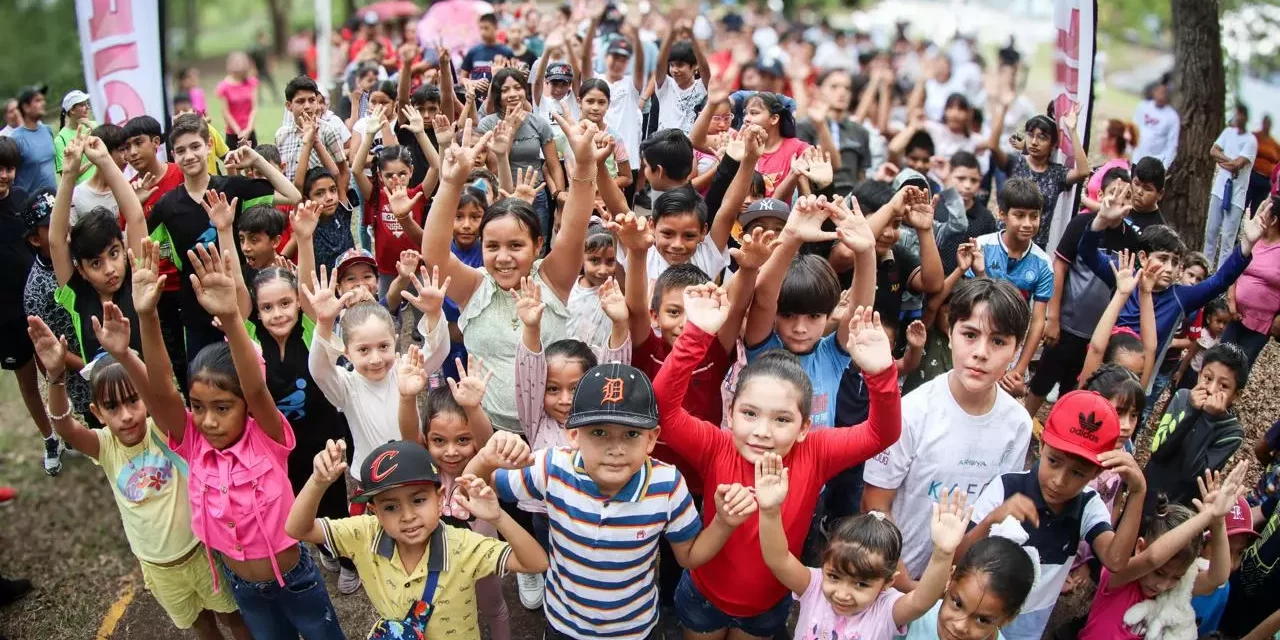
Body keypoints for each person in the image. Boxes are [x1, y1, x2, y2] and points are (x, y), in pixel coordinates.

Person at [653, 281, 902, 639]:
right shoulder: (716, 445)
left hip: (767, 605)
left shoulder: (816, 451)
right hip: (704, 596)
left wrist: (881, 374)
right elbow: (665, 410)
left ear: (804, 427)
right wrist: (697, 335)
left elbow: (882, 433)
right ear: (731, 412)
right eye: (750, 414)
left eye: (782, 420)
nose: (762, 431)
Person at [123, 242, 344, 639]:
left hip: (295, 578)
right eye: (198, 406)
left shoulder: (267, 437)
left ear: (246, 406)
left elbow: (256, 388)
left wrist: (230, 315)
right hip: (243, 588)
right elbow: (163, 392)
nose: (208, 420)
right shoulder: (192, 443)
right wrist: (146, 316)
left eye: (223, 407)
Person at [469, 367, 756, 640]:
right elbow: (477, 484)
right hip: (564, 624)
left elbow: (689, 557)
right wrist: (485, 459)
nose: (615, 449)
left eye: (631, 434)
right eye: (599, 432)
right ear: (573, 435)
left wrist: (723, 522)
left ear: (652, 438)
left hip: (635, 628)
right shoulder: (552, 466)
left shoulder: (667, 485)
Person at [28, 316, 250, 640]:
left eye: (133, 400)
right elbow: (64, 427)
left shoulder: (162, 429)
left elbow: (161, 392)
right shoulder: (104, 446)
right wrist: (56, 378)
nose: (127, 415)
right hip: (159, 569)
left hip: (202, 553)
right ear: (97, 412)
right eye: (112, 407)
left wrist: (125, 356)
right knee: (202, 626)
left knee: (233, 619)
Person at [420, 115, 596, 434]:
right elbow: (433, 254)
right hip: (488, 432)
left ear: (538, 244)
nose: (503, 258)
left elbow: (575, 227)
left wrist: (583, 168)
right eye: (492, 246)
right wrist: (451, 182)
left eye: (516, 245)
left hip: (555, 428)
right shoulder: (474, 286)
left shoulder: (553, 279)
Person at [286, 438, 546, 640]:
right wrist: (318, 482)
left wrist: (499, 517)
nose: (407, 516)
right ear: (374, 511)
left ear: (440, 497)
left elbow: (535, 562)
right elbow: (297, 529)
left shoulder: (463, 545)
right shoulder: (364, 534)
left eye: (419, 500)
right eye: (390, 507)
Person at [863, 278, 1033, 582]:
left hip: (960, 584)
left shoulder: (1018, 425)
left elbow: (991, 510)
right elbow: (876, 504)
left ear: (1017, 350)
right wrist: (904, 583)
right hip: (895, 575)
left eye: (998, 341)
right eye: (970, 334)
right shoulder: (911, 412)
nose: (981, 352)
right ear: (950, 334)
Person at [958, 391, 1146, 640]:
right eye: (1054, 461)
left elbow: (1116, 560)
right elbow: (959, 557)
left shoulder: (1088, 506)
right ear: (1042, 443)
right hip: (978, 612)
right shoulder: (1006, 488)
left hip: (1028, 624)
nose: (1059, 481)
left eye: (1078, 473)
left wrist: (1138, 492)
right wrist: (992, 520)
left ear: (1095, 472)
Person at [758, 451, 970, 639]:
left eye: (861, 584)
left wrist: (943, 553)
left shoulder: (886, 610)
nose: (842, 594)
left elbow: (921, 601)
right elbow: (778, 559)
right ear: (824, 565)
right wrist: (769, 512)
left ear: (887, 583)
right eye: (833, 576)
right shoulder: (813, 587)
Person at [149, 114, 300, 360]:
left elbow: (292, 196)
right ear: (172, 156)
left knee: (249, 372)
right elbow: (138, 247)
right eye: (181, 150)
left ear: (209, 146)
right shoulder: (167, 206)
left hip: (241, 301)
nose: (189, 156)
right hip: (195, 310)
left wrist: (257, 160)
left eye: (195, 146)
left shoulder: (233, 188)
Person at [1078, 464, 1247, 639]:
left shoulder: (1172, 591)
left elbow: (1218, 578)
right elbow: (1153, 558)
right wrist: (1208, 515)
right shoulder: (1118, 575)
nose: (1163, 585)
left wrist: (1218, 522)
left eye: (1176, 577)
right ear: (1140, 547)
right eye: (1159, 573)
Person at [967, 178, 1054, 396]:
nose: (1028, 223)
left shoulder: (1043, 262)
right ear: (1002, 214)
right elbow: (969, 300)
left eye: (1034, 216)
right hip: (978, 332)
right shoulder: (981, 246)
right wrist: (980, 272)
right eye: (1019, 215)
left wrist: (1019, 369)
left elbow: (1037, 322)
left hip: (1013, 342)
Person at [1144, 343, 1249, 513]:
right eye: (1208, 378)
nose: (1211, 389)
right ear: (1200, 374)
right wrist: (1191, 411)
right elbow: (1158, 451)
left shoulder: (1232, 433)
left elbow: (1191, 473)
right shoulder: (1182, 398)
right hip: (1148, 491)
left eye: (1224, 386)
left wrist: (1208, 419)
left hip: (1177, 509)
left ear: (1236, 395)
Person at [987, 103, 1091, 248]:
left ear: (1053, 144)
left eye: (1042, 137)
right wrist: (1003, 109)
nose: (1034, 142)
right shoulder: (1015, 161)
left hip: (1035, 246)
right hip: (1004, 239)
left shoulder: (1056, 174)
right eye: (1030, 135)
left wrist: (1072, 130)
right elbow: (992, 146)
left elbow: (1083, 172)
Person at [897, 536, 1037, 640]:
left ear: (1009, 618)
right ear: (950, 578)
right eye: (957, 604)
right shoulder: (913, 615)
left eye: (982, 620)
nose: (960, 626)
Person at [1190, 496, 1260, 637]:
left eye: (1240, 553)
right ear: (1199, 544)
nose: (1231, 564)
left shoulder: (1224, 588)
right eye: (1224, 550)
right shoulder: (1172, 579)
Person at [1223, 196, 1280, 368]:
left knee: (1240, 368)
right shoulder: (1253, 239)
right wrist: (1231, 300)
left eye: (1262, 211)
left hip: (1261, 324)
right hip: (1235, 315)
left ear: (1274, 219)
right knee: (1220, 359)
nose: (1257, 214)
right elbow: (1234, 268)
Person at [1206, 103, 1258, 270]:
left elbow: (1238, 164)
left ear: (1245, 117)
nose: (1237, 117)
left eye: (1240, 114)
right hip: (1219, 189)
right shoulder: (1228, 133)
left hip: (1236, 196)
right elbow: (1213, 151)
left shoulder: (1250, 141)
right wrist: (1229, 161)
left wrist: (1224, 162)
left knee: (1228, 238)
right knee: (1211, 232)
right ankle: (1205, 268)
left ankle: (1221, 277)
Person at [654, 20, 710, 135]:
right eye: (671, 65)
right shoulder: (665, 85)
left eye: (680, 65)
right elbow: (660, 64)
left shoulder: (701, 86)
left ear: (694, 66)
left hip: (691, 148)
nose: (674, 70)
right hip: (664, 146)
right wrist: (671, 33)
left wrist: (692, 35)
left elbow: (704, 66)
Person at [69, 124, 129, 223]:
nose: (127, 156)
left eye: (127, 149)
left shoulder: (130, 187)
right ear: (102, 151)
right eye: (121, 150)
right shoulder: (77, 196)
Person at [10, 85, 56, 194]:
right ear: (26, 107)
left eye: (43, 100)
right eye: (38, 100)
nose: (43, 103)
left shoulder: (47, 130)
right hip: (30, 205)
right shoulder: (16, 139)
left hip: (54, 201)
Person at [1132, 75, 1180, 169]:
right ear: (1154, 91)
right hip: (1136, 158)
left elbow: (1172, 145)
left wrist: (1165, 166)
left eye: (1165, 93)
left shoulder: (1172, 117)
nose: (1162, 95)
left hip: (1155, 163)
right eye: (1160, 92)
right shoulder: (1142, 107)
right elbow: (1133, 129)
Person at [216, 52, 261, 149]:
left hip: (250, 132)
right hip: (233, 133)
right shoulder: (223, 87)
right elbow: (225, 112)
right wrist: (239, 132)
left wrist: (248, 129)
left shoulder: (252, 82)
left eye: (241, 62)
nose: (239, 64)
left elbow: (254, 108)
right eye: (236, 62)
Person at [53, 90, 96, 184]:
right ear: (72, 110)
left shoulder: (93, 126)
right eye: (82, 105)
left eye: (87, 104)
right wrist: (93, 160)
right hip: (82, 191)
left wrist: (89, 124)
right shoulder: (60, 140)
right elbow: (66, 176)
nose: (87, 107)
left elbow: (109, 145)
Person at [460, 13, 513, 81]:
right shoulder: (473, 51)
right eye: (481, 28)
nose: (483, 32)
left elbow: (512, 77)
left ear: (495, 27)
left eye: (486, 28)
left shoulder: (506, 52)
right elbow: (462, 77)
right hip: (475, 91)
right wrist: (471, 83)